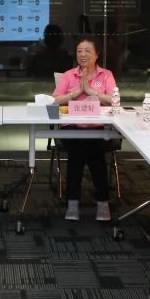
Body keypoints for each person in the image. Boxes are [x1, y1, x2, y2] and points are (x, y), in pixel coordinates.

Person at [52, 36, 117, 222]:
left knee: (86, 150)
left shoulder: (106, 75)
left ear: (97, 55)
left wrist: (91, 91)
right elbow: (54, 100)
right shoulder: (69, 75)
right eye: (79, 51)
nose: (83, 54)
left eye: (88, 51)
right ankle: (98, 202)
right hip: (73, 128)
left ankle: (78, 203)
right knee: (85, 150)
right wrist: (75, 93)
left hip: (99, 128)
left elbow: (115, 100)